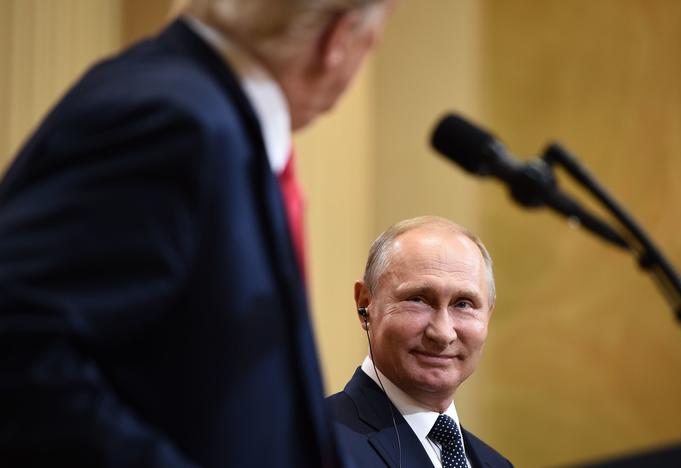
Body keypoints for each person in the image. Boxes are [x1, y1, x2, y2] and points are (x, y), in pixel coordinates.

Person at [0, 0, 396, 466]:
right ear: (338, 41)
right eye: (372, 43)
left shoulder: (216, 119)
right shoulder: (174, 118)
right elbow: (19, 346)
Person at [327, 216, 513, 468]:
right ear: (365, 305)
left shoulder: (496, 464)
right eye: (418, 300)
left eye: (463, 304)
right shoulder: (312, 442)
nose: (443, 333)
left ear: (488, 316)